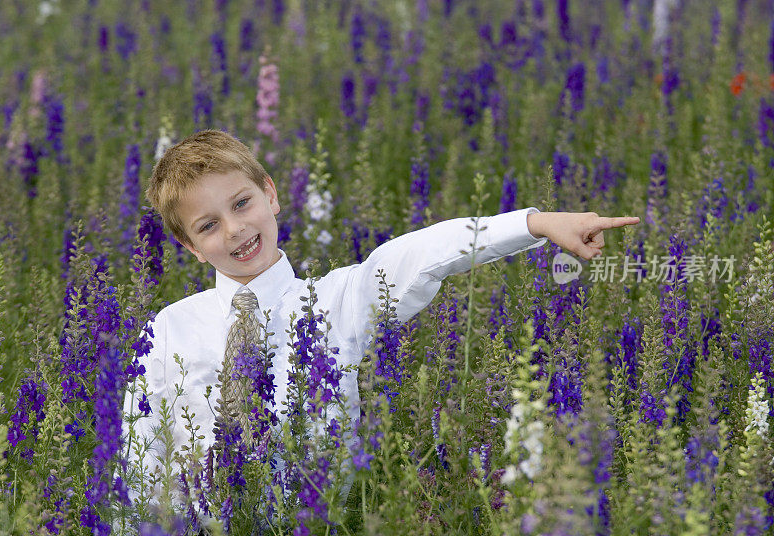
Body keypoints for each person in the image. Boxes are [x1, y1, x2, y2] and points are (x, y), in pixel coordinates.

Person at [120, 128, 639, 516]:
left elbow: (417, 255)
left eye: (242, 203)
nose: (235, 230)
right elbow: (140, 458)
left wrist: (535, 223)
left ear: (271, 194)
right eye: (208, 225)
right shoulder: (168, 330)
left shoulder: (336, 303)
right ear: (189, 246)